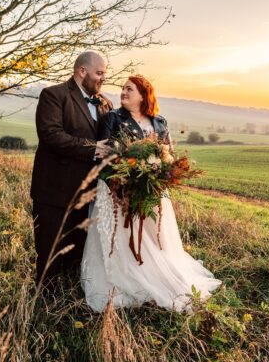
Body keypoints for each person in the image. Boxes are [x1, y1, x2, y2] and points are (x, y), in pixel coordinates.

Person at [80, 75, 221, 312]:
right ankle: (125, 279)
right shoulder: (112, 118)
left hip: (152, 191)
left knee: (154, 239)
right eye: (123, 88)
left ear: (144, 95)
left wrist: (161, 173)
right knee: (122, 237)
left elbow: (168, 154)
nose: (123, 92)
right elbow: (104, 154)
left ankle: (155, 275)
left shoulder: (159, 122)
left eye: (129, 89)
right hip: (118, 189)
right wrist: (122, 182)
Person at [30, 51, 113, 288]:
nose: (102, 79)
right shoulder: (53, 95)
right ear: (82, 71)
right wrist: (91, 148)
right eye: (99, 73)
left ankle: (72, 300)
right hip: (55, 191)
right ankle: (43, 305)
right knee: (50, 253)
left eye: (104, 74)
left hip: (90, 193)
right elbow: (50, 135)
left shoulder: (106, 103)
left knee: (81, 251)